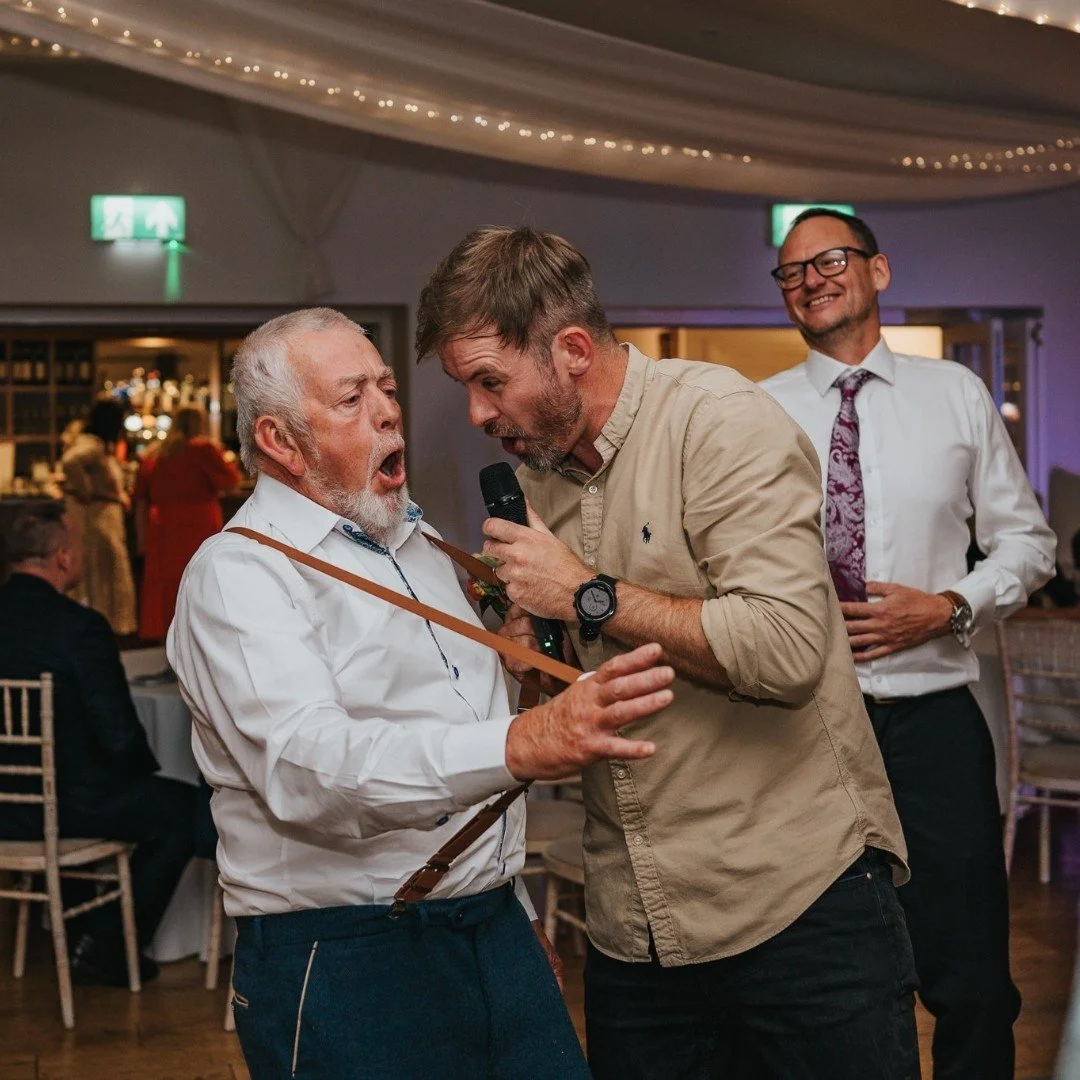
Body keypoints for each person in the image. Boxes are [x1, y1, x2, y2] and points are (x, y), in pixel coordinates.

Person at [418, 226, 918, 1079]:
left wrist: (585, 593)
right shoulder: (536, 472)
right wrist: (522, 648)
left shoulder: (718, 423)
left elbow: (789, 649)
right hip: (634, 922)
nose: (477, 415)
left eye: (489, 383)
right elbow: (573, 692)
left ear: (572, 350)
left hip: (795, 906)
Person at [166, 307, 676, 1080]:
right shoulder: (237, 575)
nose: (386, 410)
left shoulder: (420, 542)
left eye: (384, 386)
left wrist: (512, 911)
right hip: (345, 951)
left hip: (488, 929)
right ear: (279, 442)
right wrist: (524, 744)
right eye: (350, 399)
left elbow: (453, 723)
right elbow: (312, 770)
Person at [761, 207, 1057, 1080]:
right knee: (827, 974)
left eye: (830, 261)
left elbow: (1029, 545)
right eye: (791, 272)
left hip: (934, 726)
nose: (810, 279)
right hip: (804, 731)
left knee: (970, 978)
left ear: (878, 272)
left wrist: (951, 607)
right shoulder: (753, 412)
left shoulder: (956, 395)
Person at [0, 502, 196, 985]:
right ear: (63, 558)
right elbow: (118, 736)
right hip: (67, 808)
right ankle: (106, 943)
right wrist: (143, 770)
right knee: (185, 811)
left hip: (5, 808)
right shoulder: (79, 628)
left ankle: (83, 926)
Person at [135, 404, 240, 639]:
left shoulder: (155, 453)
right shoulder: (203, 449)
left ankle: (169, 645)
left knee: (167, 586)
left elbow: (140, 496)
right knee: (199, 582)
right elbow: (231, 483)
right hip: (197, 523)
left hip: (162, 525)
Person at [61, 398, 137, 634]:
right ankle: (105, 626)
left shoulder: (98, 446)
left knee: (102, 574)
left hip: (102, 519)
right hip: (99, 521)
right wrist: (86, 491)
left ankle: (104, 625)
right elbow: (70, 462)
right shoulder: (92, 446)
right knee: (103, 573)